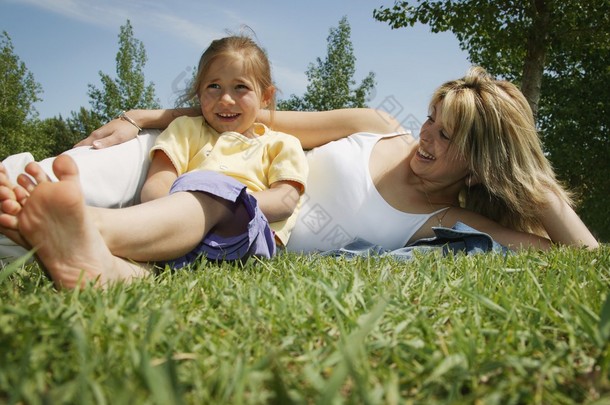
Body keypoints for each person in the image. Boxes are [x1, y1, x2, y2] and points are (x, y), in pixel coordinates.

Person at [0, 67, 599, 289]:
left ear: (484, 162)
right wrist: (140, 118)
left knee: (225, 200)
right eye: (430, 119)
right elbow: (244, 114)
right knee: (22, 177)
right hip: (187, 155)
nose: (425, 137)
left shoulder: (450, 221)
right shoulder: (370, 123)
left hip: (233, 228)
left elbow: (581, 255)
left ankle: (83, 235)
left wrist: (536, 183)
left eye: (447, 137)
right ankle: (76, 233)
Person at [0, 35, 308, 288]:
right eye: (213, 86)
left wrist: (222, 200)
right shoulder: (185, 130)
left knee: (213, 192)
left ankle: (87, 225)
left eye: (240, 87)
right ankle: (101, 269)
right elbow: (157, 184)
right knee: (151, 270)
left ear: (266, 96)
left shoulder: (280, 142)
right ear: (198, 93)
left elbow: (284, 200)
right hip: (177, 236)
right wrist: (172, 220)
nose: (225, 99)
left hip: (245, 240)